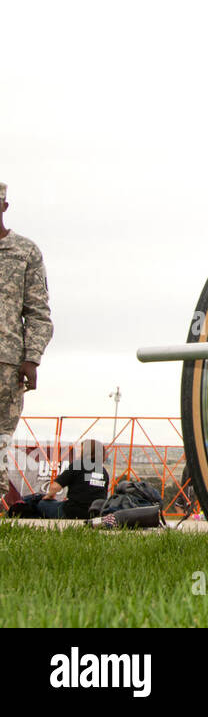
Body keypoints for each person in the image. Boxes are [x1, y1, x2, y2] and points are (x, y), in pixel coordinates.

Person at [0, 182, 53, 502]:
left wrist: (32, 358)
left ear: (5, 207)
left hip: (5, 364)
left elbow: (37, 311)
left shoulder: (25, 252)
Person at [39, 440, 108, 520]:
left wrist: (49, 496)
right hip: (94, 514)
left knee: (41, 504)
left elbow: (55, 487)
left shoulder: (78, 465)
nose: (78, 451)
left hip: (72, 512)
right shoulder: (104, 472)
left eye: (80, 449)